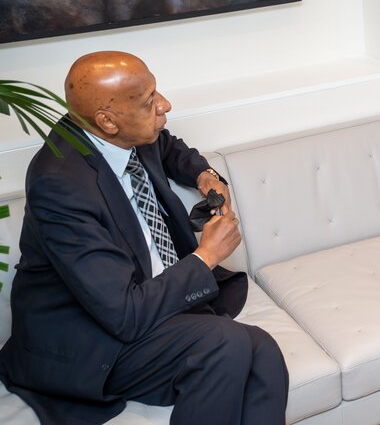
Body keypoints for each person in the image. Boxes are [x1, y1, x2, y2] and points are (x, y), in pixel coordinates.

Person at [0, 51, 289, 424]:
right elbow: (124, 314)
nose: (165, 105)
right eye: (150, 101)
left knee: (264, 351)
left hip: (153, 307)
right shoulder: (59, 186)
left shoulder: (128, 131)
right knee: (226, 342)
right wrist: (206, 256)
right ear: (107, 121)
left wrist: (204, 175)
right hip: (93, 338)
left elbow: (169, 147)